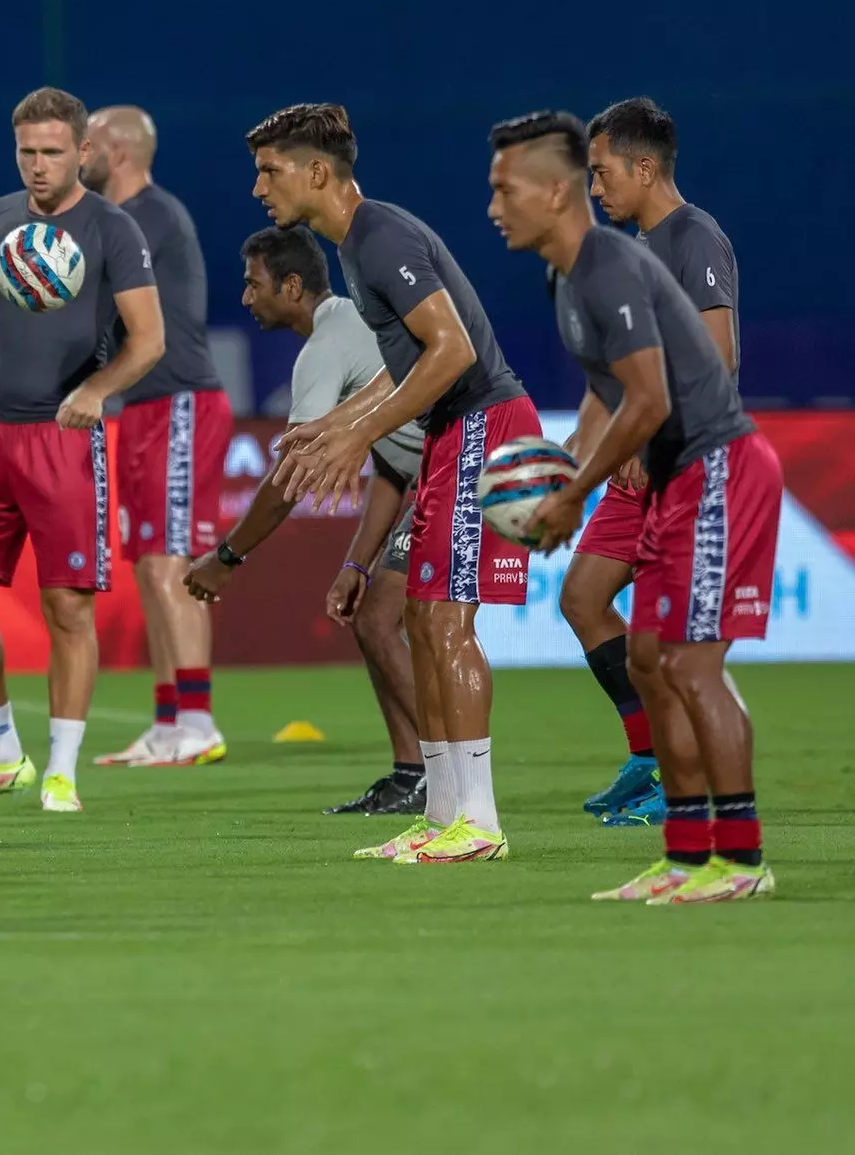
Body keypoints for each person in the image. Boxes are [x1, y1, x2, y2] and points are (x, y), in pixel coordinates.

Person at [491, 110, 779, 904]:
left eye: (505, 190)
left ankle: (741, 860)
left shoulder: (617, 263)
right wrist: (568, 468)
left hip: (712, 466)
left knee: (689, 664)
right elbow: (613, 390)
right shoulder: (572, 277)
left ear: (555, 193)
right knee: (649, 659)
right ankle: (685, 856)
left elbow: (651, 399)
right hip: (671, 470)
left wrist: (572, 492)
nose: (494, 207)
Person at [256, 103, 539, 864]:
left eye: (270, 170)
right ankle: (443, 813)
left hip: (482, 424)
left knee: (446, 623)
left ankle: (478, 822)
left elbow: (451, 353)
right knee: (420, 619)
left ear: (317, 173)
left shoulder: (379, 237)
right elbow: (405, 365)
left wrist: (357, 433)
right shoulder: (357, 245)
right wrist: (340, 420)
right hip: (454, 432)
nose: (259, 187)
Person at [0, 87, 163, 814]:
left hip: (63, 440)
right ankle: (0, 755)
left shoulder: (112, 228)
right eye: (27, 151)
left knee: (67, 607)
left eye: (52, 152)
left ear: (83, 151)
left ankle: (61, 772)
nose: (38, 165)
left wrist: (98, 389)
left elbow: (149, 341)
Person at [181, 225, 428, 815]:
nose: (246, 297)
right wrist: (356, 564)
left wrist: (226, 557)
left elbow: (291, 474)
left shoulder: (326, 345)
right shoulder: (350, 326)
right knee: (373, 620)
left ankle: (452, 772)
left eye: (254, 284)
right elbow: (392, 467)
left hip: (458, 475)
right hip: (429, 479)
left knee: (391, 623)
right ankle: (413, 775)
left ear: (291, 287)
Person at [563, 97, 740, 828]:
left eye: (601, 173)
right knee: (582, 599)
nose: (594, 189)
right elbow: (611, 377)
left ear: (644, 167)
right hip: (636, 465)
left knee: (667, 650)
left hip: (684, 465)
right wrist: (573, 459)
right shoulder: (628, 253)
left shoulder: (694, 236)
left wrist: (649, 437)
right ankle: (648, 759)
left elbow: (718, 357)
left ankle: (689, 790)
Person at [77, 106, 232, 769]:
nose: (77, 155)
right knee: (148, 566)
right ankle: (168, 723)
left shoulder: (148, 216)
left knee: (171, 564)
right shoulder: (121, 218)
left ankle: (198, 721)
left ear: (116, 151)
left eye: (85, 144)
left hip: (180, 403)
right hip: (143, 407)